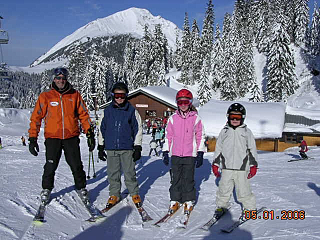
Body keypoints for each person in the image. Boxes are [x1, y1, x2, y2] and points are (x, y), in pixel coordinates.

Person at [28, 67, 95, 205]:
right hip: (53, 137)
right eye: (58, 78)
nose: (61, 81)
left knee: (76, 165)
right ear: (54, 79)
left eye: (63, 78)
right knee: (50, 165)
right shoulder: (45, 96)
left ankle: (81, 188)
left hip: (71, 136)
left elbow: (84, 115)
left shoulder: (74, 95)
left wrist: (89, 133)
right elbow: (36, 118)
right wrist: (32, 138)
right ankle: (46, 189)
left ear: (66, 79)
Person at [97, 82, 143, 211]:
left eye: (122, 95)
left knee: (130, 172)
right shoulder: (107, 111)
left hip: (127, 147)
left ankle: (134, 193)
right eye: (117, 95)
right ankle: (114, 194)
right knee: (113, 173)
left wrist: (137, 146)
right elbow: (101, 128)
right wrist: (101, 146)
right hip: (111, 147)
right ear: (113, 96)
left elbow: (138, 129)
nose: (119, 98)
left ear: (126, 96)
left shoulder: (132, 111)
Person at [162, 88, 206, 215]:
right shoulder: (172, 119)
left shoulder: (196, 119)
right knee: (175, 178)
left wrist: (200, 152)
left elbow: (200, 136)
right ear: (177, 103)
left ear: (190, 103)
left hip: (190, 154)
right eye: (180, 102)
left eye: (185, 102)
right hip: (175, 154)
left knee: (188, 178)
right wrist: (166, 151)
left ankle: (188, 199)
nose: (183, 105)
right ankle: (175, 199)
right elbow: (168, 136)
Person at [211, 103, 258, 219]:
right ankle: (222, 206)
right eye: (232, 117)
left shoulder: (247, 132)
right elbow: (219, 149)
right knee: (223, 189)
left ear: (242, 118)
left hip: (242, 168)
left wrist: (253, 165)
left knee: (244, 190)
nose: (235, 120)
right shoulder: (224, 132)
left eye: (238, 117)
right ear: (228, 117)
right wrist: (216, 164)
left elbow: (252, 149)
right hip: (226, 167)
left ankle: (250, 208)